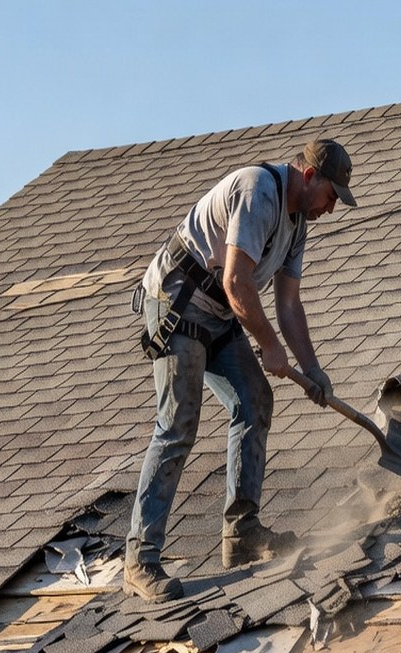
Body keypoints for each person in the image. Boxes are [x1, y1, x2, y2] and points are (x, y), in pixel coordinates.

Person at [124, 139, 357, 601]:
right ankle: (139, 560)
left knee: (254, 399)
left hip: (220, 314)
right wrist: (270, 347)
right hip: (179, 303)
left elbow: (288, 304)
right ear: (309, 177)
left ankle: (241, 533)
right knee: (178, 425)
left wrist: (312, 367)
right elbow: (236, 280)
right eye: (332, 197)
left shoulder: (297, 224)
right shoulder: (259, 191)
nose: (331, 209)